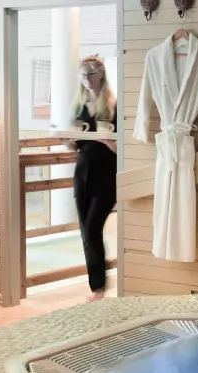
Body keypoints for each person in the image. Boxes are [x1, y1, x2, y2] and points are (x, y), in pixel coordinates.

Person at [70, 56, 117, 302]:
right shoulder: (79, 106)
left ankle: (99, 287)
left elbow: (123, 149)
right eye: (83, 75)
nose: (86, 79)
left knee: (92, 229)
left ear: (101, 73)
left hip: (106, 175)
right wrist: (68, 140)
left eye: (90, 73)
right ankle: (96, 287)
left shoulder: (113, 105)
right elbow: (75, 145)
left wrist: (108, 142)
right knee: (86, 233)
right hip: (82, 174)